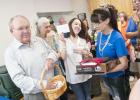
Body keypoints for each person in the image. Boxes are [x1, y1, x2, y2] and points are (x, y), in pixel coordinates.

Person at [4, 15, 58, 100]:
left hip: (52, 89)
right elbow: (19, 79)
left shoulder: (39, 40)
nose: (25, 31)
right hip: (35, 95)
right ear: (12, 31)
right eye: (20, 28)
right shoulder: (10, 52)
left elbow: (53, 52)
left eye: (27, 27)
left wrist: (50, 58)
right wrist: (43, 84)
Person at [91, 6, 128, 100]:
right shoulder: (99, 35)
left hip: (116, 77)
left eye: (97, 22)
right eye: (93, 23)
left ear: (107, 20)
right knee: (113, 96)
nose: (95, 25)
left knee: (120, 97)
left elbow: (124, 64)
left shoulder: (117, 37)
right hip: (104, 76)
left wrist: (107, 70)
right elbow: (101, 55)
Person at [59, 18, 92, 100]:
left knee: (88, 97)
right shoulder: (64, 40)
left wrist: (86, 54)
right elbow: (63, 57)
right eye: (76, 24)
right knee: (81, 98)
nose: (78, 26)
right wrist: (63, 42)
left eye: (80, 25)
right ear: (70, 25)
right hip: (73, 76)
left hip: (85, 73)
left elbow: (87, 57)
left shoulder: (82, 40)